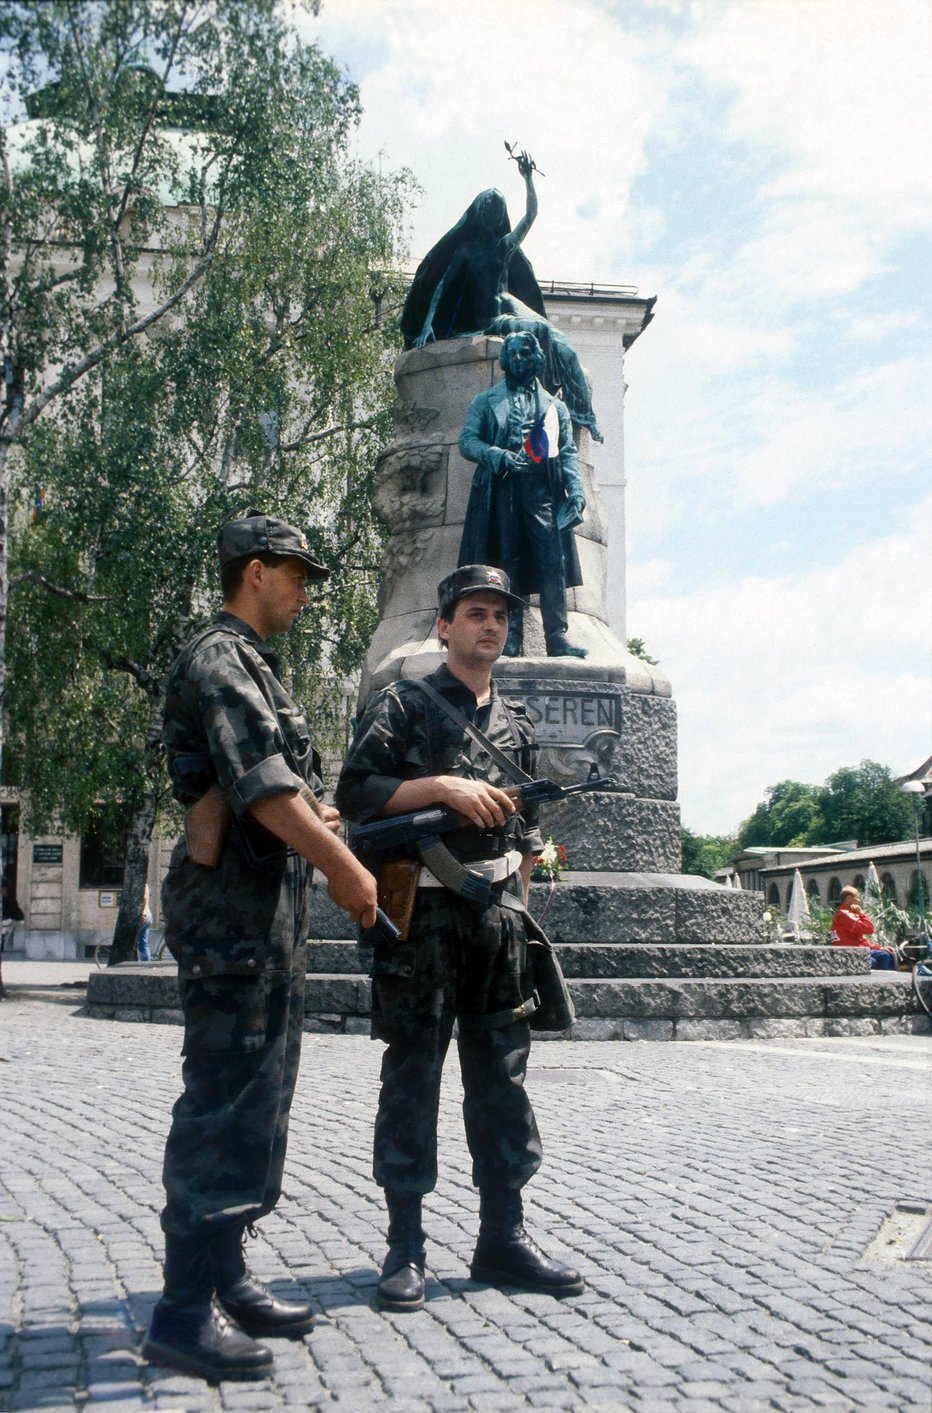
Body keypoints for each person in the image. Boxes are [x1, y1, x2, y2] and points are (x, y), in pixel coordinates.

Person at [143, 512, 377, 1384]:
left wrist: (320, 818)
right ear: (254, 572)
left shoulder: (253, 663)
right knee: (221, 1102)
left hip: (262, 917)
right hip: (230, 919)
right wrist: (349, 872)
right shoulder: (220, 659)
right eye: (296, 575)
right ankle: (178, 1311)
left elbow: (285, 794)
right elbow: (264, 789)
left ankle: (227, 1271)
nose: (306, 593)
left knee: (260, 1095)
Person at [335, 564, 584, 1314]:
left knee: (502, 1079)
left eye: (501, 616)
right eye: (475, 613)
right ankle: (404, 1246)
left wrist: (520, 904)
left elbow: (530, 830)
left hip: (497, 920)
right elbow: (355, 792)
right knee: (413, 1076)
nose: (491, 626)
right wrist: (441, 788)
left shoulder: (519, 725)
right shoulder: (403, 706)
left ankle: (502, 1236)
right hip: (424, 920)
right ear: (444, 625)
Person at [401, 152, 603, 440]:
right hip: (489, 322)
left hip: (506, 310)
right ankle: (547, 403)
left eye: (496, 209)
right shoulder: (465, 251)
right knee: (541, 332)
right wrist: (426, 327)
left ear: (499, 216)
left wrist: (528, 179)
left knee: (559, 341)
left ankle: (582, 413)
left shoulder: (504, 246)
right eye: (486, 207)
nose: (491, 213)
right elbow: (442, 289)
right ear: (477, 213)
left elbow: (530, 216)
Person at [458, 331, 588, 658]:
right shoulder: (485, 401)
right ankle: (511, 635)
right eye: (512, 354)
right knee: (506, 561)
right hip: (503, 488)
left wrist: (576, 490)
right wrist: (497, 455)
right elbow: (467, 442)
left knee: (551, 562)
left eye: (524, 354)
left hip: (541, 488)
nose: (517, 360)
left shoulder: (554, 406)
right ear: (505, 360)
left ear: (535, 359)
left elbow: (568, 451)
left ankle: (557, 636)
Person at [831, 886, 896, 969]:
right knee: (883, 956)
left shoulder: (850, 913)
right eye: (858, 897)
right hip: (848, 951)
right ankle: (886, 980)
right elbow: (869, 929)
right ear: (849, 898)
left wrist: (879, 947)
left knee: (886, 954)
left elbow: (861, 941)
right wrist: (861, 913)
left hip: (856, 949)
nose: (859, 900)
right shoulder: (843, 914)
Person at [136, 882, 152, 962]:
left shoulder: (142, 885)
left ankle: (133, 961)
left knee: (133, 940)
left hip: (143, 915)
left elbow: (144, 898)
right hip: (148, 915)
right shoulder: (146, 885)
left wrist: (142, 913)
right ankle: (146, 963)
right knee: (143, 943)